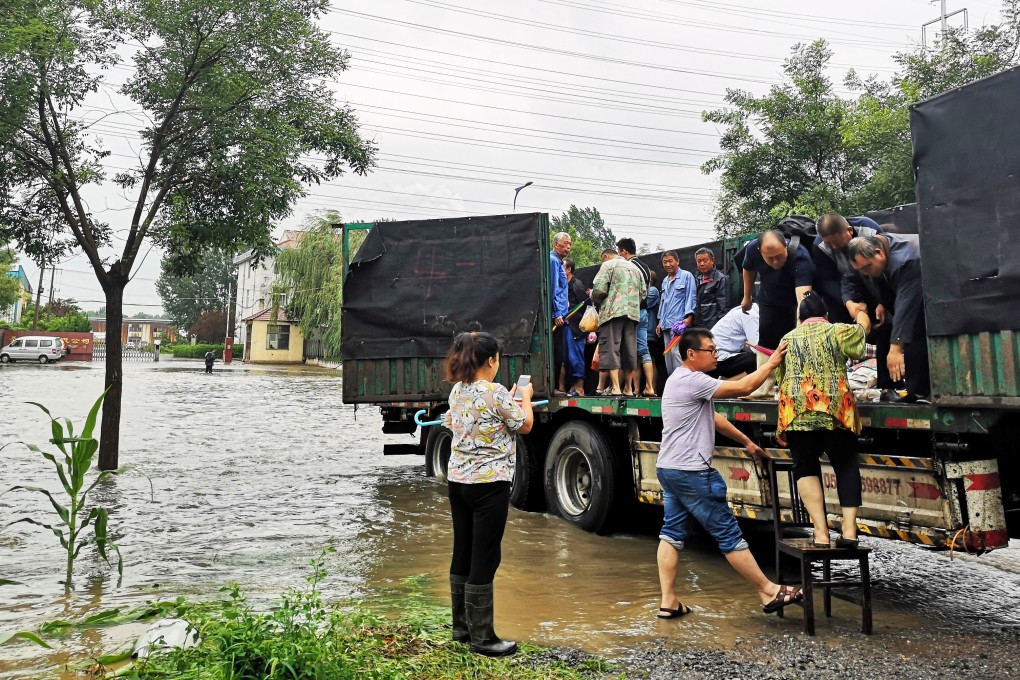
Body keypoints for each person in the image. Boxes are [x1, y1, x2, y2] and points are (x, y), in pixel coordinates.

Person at [656, 328, 802, 619]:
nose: (716, 355)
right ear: (691, 355)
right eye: (711, 350)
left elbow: (713, 417)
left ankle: (669, 601)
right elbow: (745, 388)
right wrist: (771, 363)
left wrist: (747, 442)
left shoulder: (680, 380)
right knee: (727, 533)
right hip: (691, 472)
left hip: (669, 468)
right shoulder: (692, 379)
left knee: (671, 533)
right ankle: (768, 591)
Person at [443, 331, 534, 656]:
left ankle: (461, 629)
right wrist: (523, 396)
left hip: (458, 483)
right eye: (498, 358)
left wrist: (507, 399)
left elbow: (461, 420)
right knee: (486, 556)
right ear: (491, 360)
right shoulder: (496, 392)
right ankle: (484, 639)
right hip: (489, 486)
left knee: (463, 551)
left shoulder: (458, 390)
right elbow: (524, 425)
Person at [775, 292, 872, 548]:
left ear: (800, 318)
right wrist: (860, 312)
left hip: (796, 412)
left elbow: (779, 376)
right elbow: (861, 340)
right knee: (845, 463)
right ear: (826, 316)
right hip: (834, 411)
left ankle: (820, 533)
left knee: (805, 467)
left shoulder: (787, 338)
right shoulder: (838, 331)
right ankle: (849, 532)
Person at [845, 234, 930, 401]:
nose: (865, 274)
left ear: (879, 253)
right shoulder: (874, 259)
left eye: (867, 268)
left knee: (910, 333)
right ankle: (895, 388)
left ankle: (922, 392)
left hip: (930, 302)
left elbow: (907, 305)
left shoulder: (906, 260)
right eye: (860, 270)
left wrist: (896, 348)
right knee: (885, 328)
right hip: (902, 303)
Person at [740, 230, 814, 350]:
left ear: (785, 246)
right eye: (769, 258)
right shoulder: (752, 248)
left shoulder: (800, 257)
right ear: (760, 251)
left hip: (793, 303)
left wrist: (801, 324)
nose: (775, 261)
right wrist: (746, 297)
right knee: (766, 341)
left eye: (779, 256)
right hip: (769, 300)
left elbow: (803, 298)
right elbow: (748, 269)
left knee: (794, 342)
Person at [591, 247, 646, 396]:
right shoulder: (636, 269)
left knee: (611, 349)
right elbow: (643, 293)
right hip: (632, 314)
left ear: (606, 256)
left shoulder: (608, 265)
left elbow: (598, 290)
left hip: (612, 313)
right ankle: (628, 388)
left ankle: (615, 387)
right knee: (629, 350)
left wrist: (593, 297)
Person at [812, 214, 884, 325]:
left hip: (875, 281)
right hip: (843, 287)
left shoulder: (870, 231)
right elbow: (829, 281)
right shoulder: (819, 247)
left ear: (849, 231)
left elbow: (883, 264)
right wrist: (850, 304)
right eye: (828, 243)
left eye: (836, 241)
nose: (834, 246)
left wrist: (883, 300)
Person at [617, 238, 651, 397]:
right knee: (644, 351)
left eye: (619, 252)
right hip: (644, 312)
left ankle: (627, 388)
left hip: (632, 313)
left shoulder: (629, 267)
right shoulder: (646, 267)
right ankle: (649, 387)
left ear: (624, 251)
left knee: (628, 351)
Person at [657, 250, 697, 376]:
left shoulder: (686, 276)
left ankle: (683, 381)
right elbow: (663, 302)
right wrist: (660, 322)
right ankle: (673, 382)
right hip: (666, 323)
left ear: (677, 261)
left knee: (677, 353)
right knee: (668, 354)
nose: (668, 264)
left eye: (670, 261)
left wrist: (689, 316)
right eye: (665, 262)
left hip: (679, 323)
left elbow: (691, 296)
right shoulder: (665, 280)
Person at [708, 303, 760, 379]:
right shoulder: (751, 315)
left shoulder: (744, 310)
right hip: (719, 359)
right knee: (759, 360)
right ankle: (728, 385)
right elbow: (758, 349)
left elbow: (747, 345)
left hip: (717, 356)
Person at [562, 258, 588, 396]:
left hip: (575, 327)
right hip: (565, 326)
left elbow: (583, 306)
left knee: (576, 356)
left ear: (568, 270)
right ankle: (572, 386)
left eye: (562, 267)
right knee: (567, 358)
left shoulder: (576, 284)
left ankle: (580, 388)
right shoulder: (561, 284)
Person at [550, 232, 572, 395]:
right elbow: (552, 289)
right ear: (556, 244)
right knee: (555, 353)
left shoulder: (558, 261)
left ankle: (556, 387)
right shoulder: (552, 261)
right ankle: (553, 387)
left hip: (563, 314)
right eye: (566, 243)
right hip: (556, 316)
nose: (568, 247)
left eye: (570, 244)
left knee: (560, 353)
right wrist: (556, 312)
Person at [693, 247, 731, 329]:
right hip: (698, 326)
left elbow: (723, 308)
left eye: (705, 261)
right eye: (699, 261)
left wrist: (721, 328)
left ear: (712, 260)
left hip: (713, 326)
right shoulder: (696, 279)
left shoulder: (721, 279)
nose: (702, 264)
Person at [639, 270, 661, 396]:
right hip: (643, 331)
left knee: (651, 360)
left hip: (649, 332)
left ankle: (653, 388)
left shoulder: (652, 291)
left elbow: (642, 303)